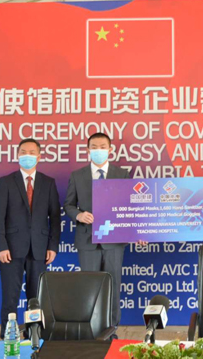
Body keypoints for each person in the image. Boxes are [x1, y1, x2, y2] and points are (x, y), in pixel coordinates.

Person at [64, 132, 143, 329]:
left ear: (110, 150)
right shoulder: (77, 175)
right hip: (87, 240)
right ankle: (90, 331)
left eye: (102, 147)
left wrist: (138, 231)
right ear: (88, 150)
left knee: (113, 287)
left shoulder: (122, 174)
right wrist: (78, 215)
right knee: (89, 288)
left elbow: (130, 206)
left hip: (114, 241)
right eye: (94, 147)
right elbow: (68, 205)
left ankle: (111, 330)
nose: (98, 150)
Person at [0, 138, 61, 335]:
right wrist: (0, 246)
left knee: (36, 298)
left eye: (32, 152)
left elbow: (55, 217)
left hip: (39, 248)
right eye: (23, 152)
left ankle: (34, 335)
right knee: (10, 297)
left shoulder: (48, 183)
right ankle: (8, 336)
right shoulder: (6, 182)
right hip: (11, 249)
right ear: (17, 155)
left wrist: (52, 246)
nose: (27, 156)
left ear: (39, 157)